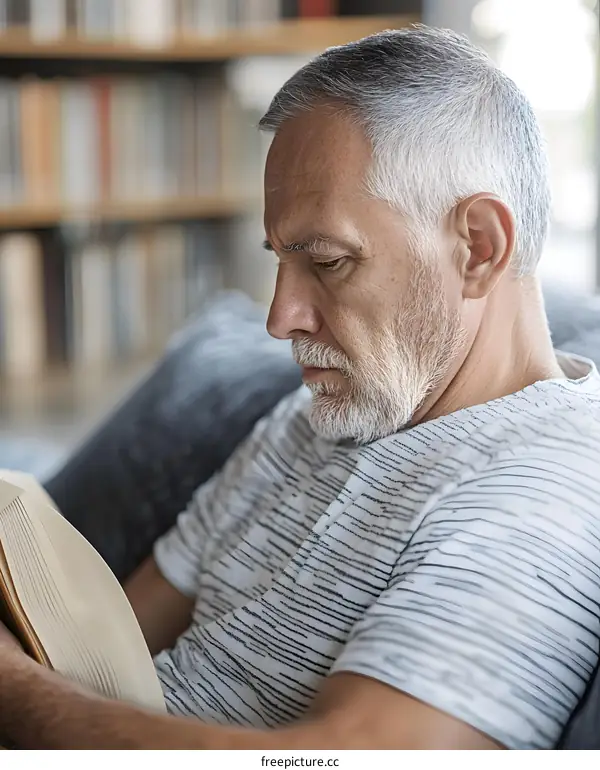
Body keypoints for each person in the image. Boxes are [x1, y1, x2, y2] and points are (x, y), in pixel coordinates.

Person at [1, 24, 600, 751]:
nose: (281, 319)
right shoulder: (321, 410)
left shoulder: (547, 484)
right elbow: (105, 642)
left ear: (478, 246)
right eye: (281, 258)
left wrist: (18, 696)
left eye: (326, 261)